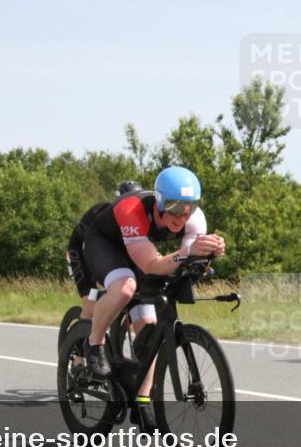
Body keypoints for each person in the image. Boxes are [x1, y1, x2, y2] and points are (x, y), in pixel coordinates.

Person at [80, 167, 225, 431]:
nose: (181, 215)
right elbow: (152, 265)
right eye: (173, 207)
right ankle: (94, 343)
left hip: (140, 248)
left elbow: (185, 260)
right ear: (158, 201)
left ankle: (142, 401)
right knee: (125, 288)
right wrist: (187, 253)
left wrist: (207, 254)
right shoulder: (131, 209)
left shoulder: (194, 219)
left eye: (189, 208)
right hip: (107, 246)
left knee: (149, 327)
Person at [66, 180, 144, 320]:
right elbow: (75, 242)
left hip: (115, 260)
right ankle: (84, 330)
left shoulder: (142, 218)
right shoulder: (99, 213)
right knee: (91, 307)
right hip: (81, 256)